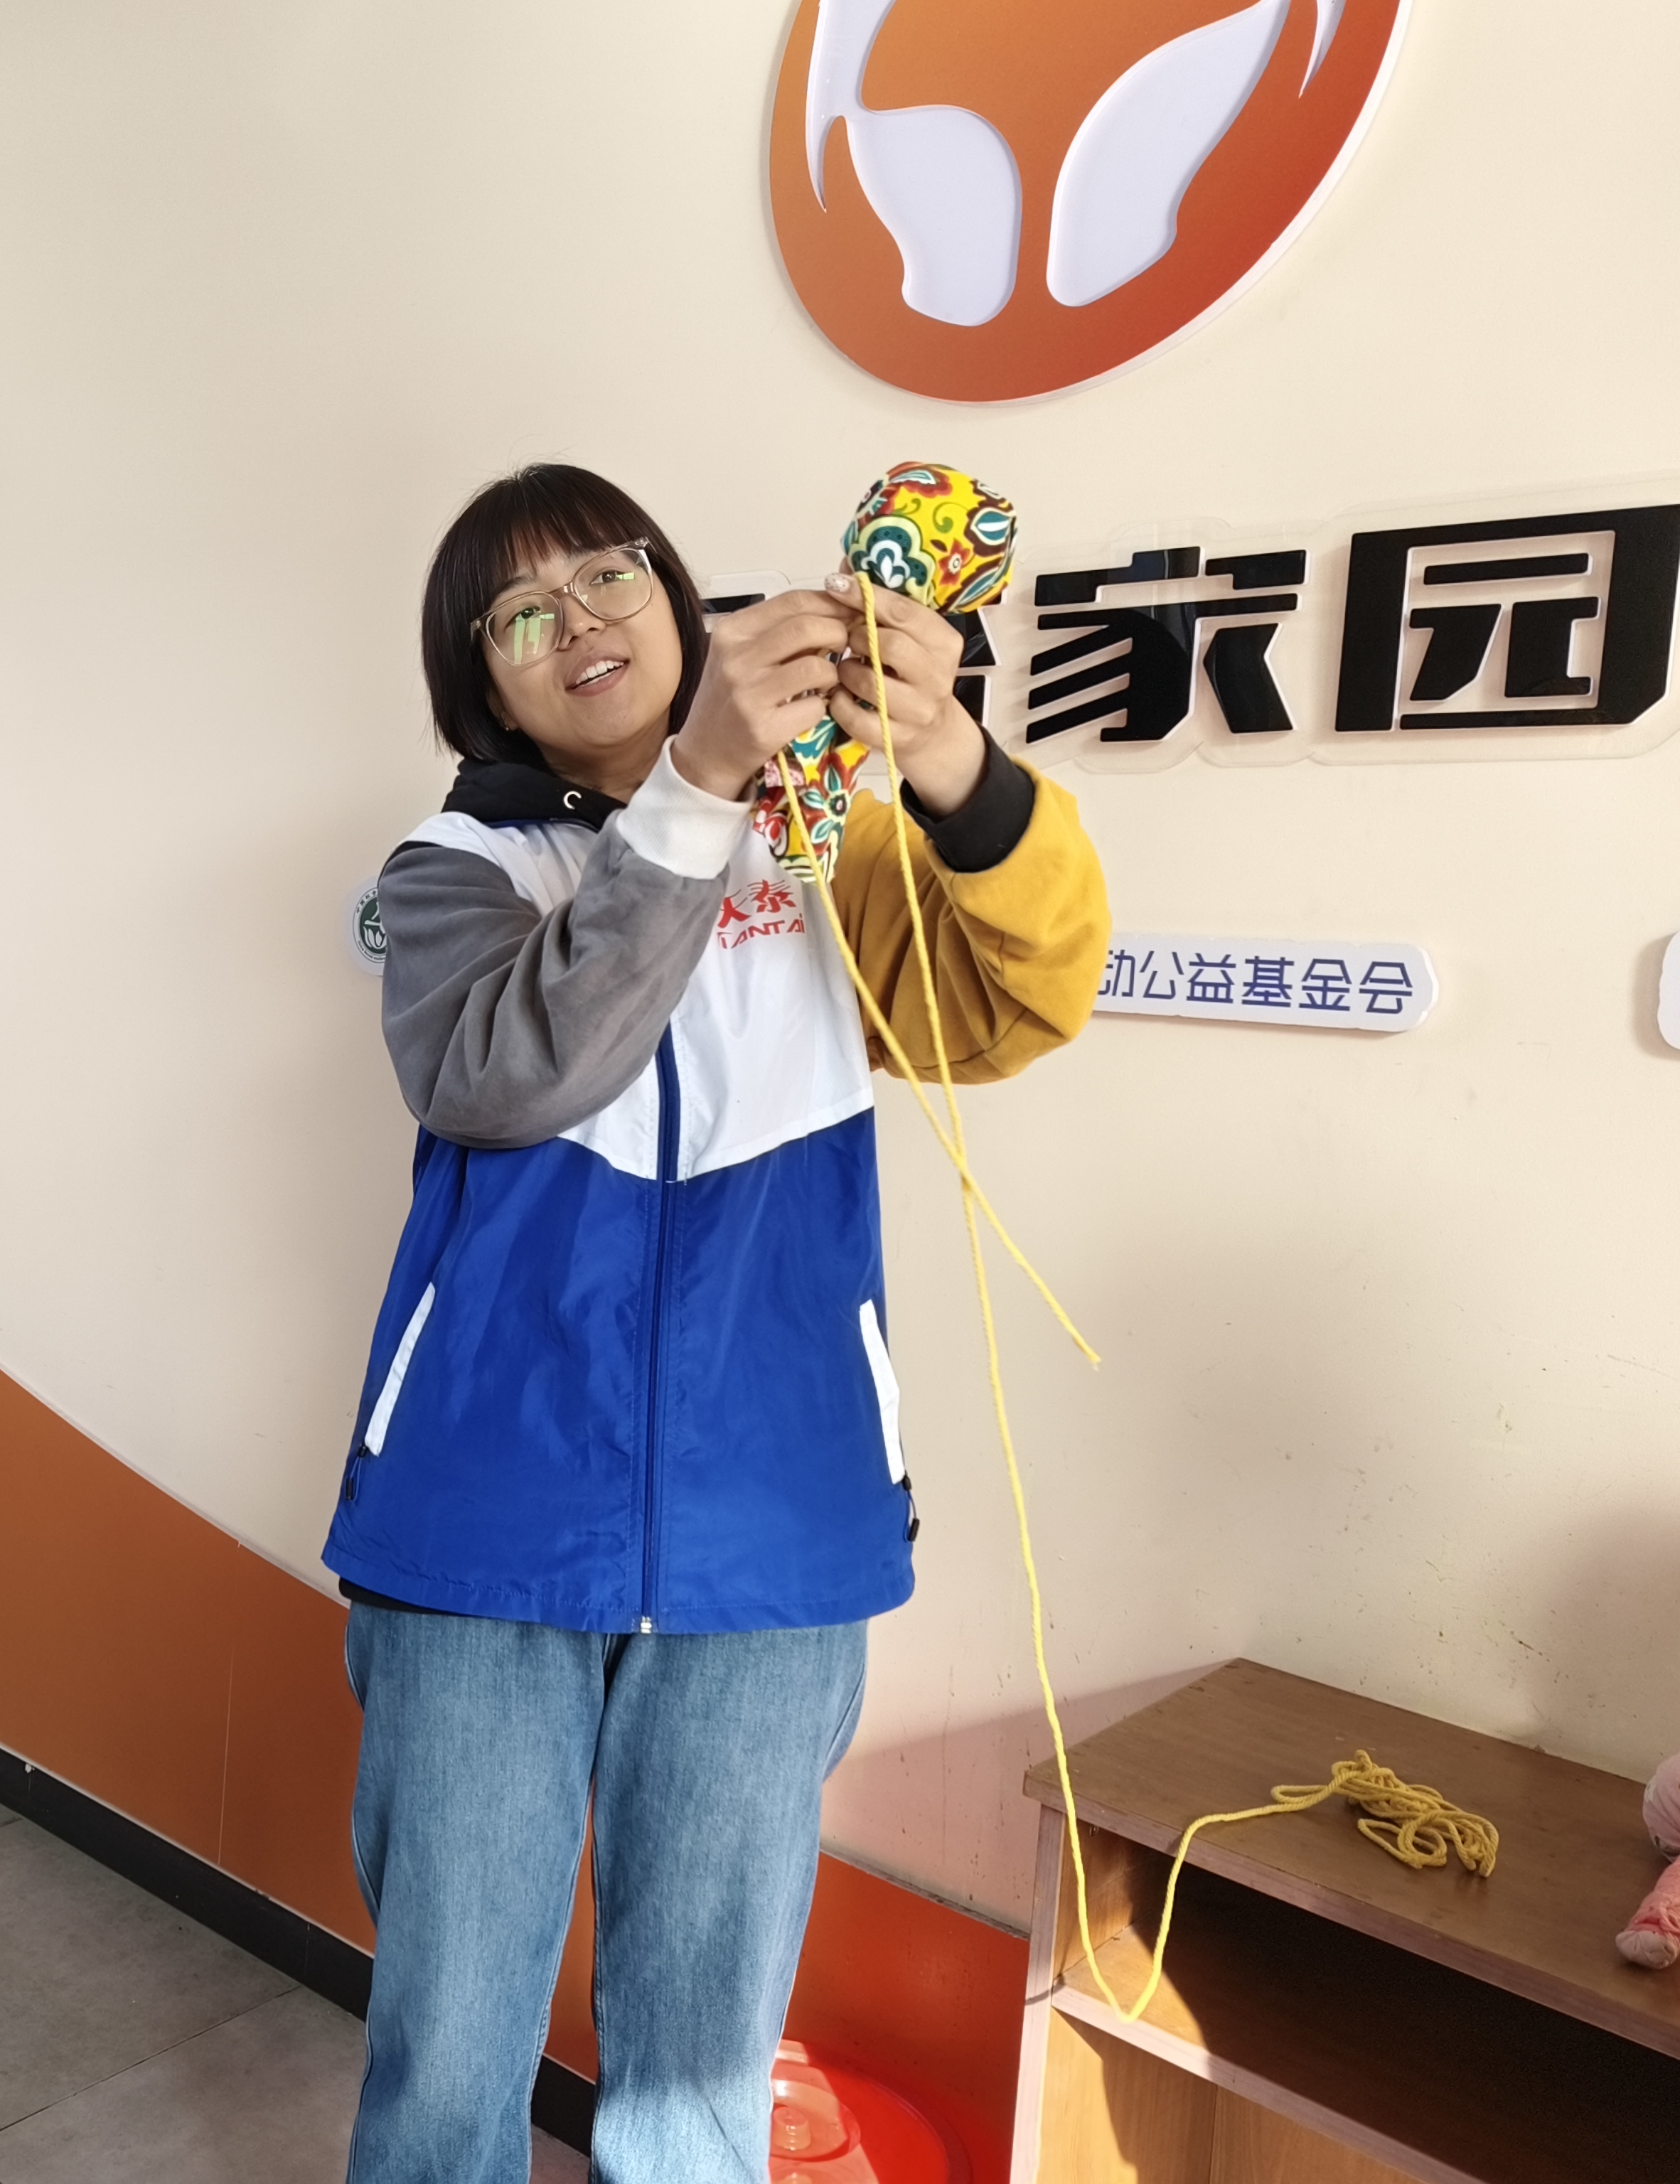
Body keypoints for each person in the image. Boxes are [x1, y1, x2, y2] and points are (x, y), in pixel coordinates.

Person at [323, 464, 1110, 2184]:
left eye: (607, 577)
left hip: (777, 1515)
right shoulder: (454, 869)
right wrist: (689, 793)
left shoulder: (828, 842)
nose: (576, 623)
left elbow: (1015, 1003)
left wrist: (944, 756)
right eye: (518, 616)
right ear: (483, 686)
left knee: (700, 2062)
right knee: (448, 2035)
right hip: (476, 1519)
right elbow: (501, 1078)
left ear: (683, 603)